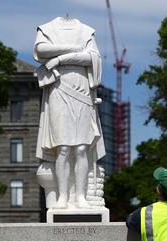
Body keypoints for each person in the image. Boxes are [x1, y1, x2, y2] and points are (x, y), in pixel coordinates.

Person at [34, 16, 106, 209]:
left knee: (82, 148)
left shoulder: (86, 30)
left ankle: (80, 197)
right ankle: (63, 197)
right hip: (59, 87)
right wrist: (74, 49)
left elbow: (92, 57)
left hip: (82, 88)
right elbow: (41, 50)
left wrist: (59, 58)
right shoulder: (47, 27)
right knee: (63, 148)